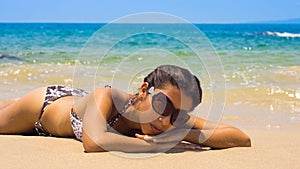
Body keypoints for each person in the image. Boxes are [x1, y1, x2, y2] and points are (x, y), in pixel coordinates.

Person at [0, 65, 251, 152]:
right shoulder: (107, 96)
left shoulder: (169, 119)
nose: (165, 120)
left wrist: (181, 132)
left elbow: (240, 138)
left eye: (179, 114)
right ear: (144, 90)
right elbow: (94, 142)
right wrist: (157, 145)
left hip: (78, 100)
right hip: (43, 108)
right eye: (163, 104)